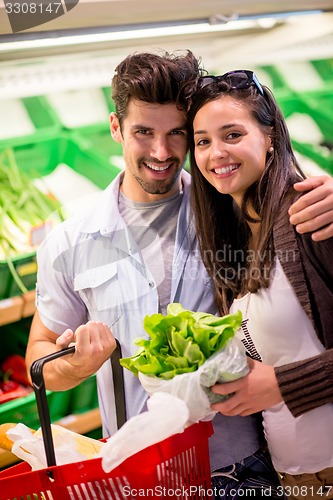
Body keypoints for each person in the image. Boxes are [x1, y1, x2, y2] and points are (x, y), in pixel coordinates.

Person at [25, 53, 333, 498]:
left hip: (244, 466)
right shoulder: (70, 242)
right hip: (140, 475)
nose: (161, 152)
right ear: (116, 127)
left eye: (177, 134)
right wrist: (75, 365)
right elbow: (39, 356)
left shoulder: (234, 207)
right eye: (143, 133)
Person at [187, 69, 333, 499]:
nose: (216, 153)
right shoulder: (236, 234)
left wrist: (283, 384)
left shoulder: (311, 215)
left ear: (269, 136)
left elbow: (283, 376)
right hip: (296, 479)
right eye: (202, 141)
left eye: (232, 134)